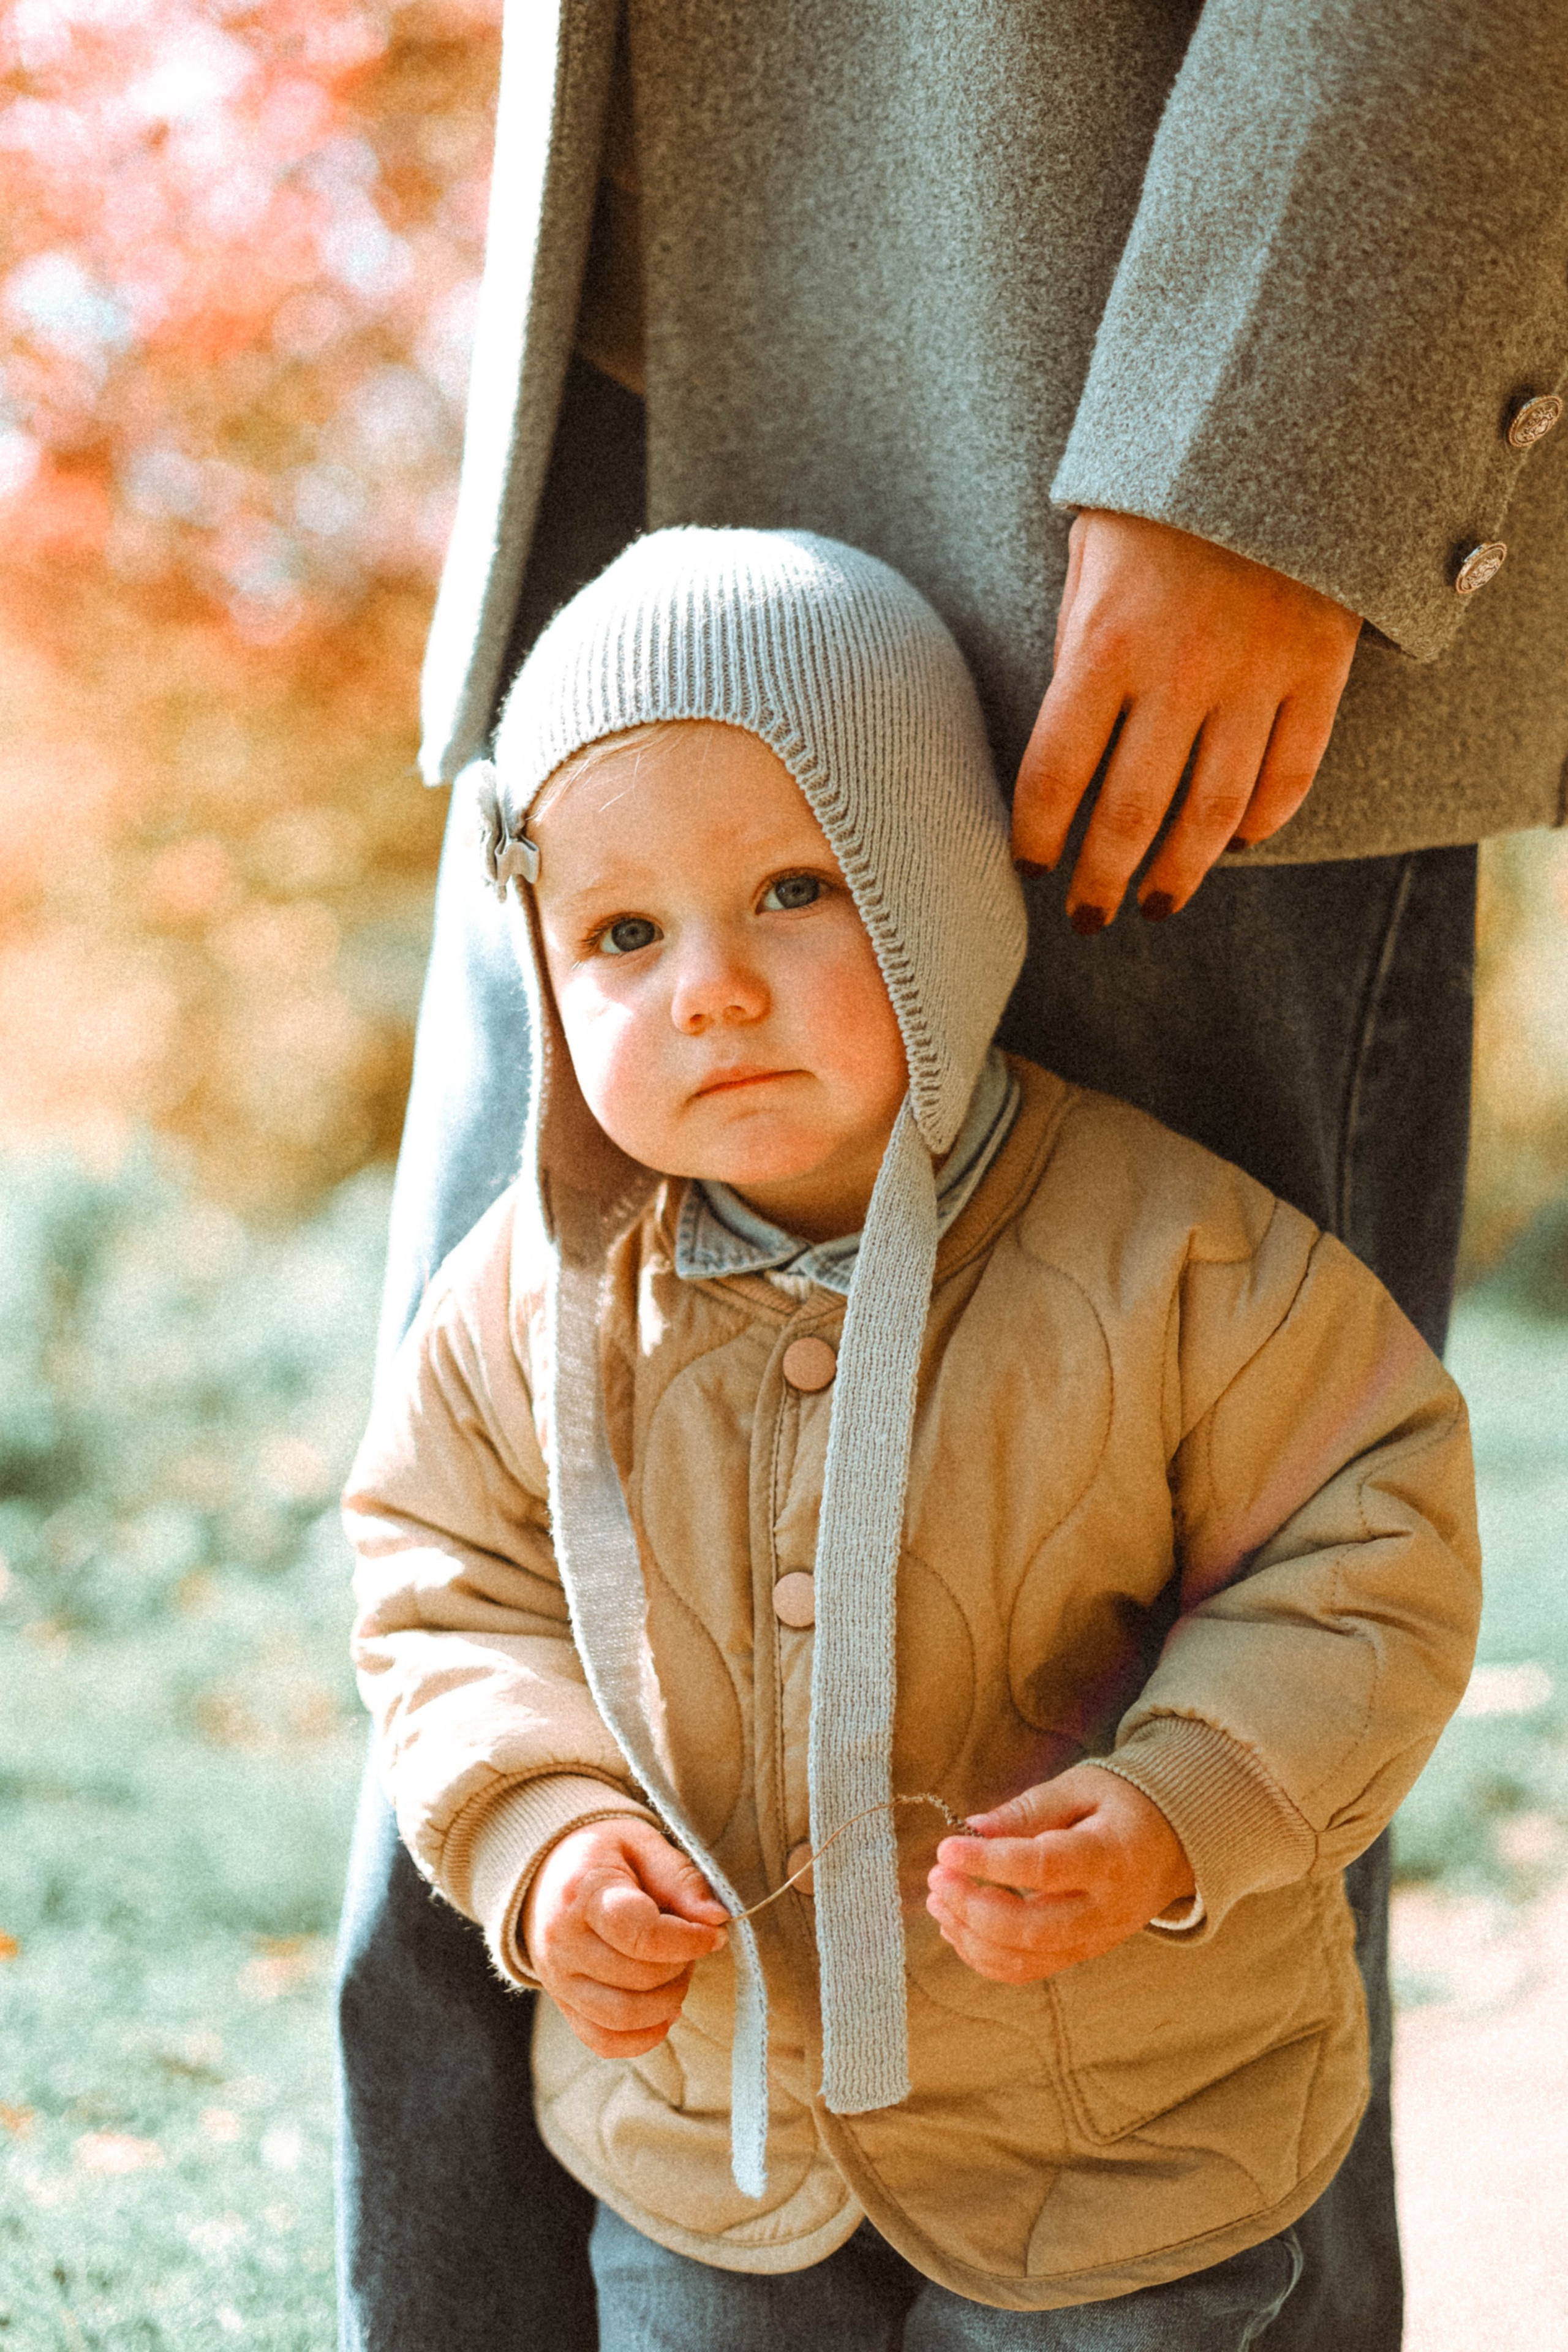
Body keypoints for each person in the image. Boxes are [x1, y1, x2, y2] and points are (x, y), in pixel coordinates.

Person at [335, 6, 1568, 2345]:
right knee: (472, 1866)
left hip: (1109, 394)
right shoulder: (550, 1248)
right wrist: (534, 1826)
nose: (702, 992)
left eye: (784, 916)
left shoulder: (1176, 1263)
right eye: (625, 942)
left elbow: (1353, 1537)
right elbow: (446, 1575)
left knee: (1228, 1929)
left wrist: (1288, 416)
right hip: (613, 374)